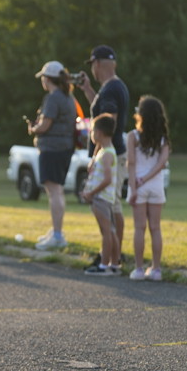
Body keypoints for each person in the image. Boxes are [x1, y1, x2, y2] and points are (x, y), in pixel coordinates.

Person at [76, 45, 129, 266]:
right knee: (112, 204)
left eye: (93, 65)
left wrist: (96, 155)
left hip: (110, 155)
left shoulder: (110, 90)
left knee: (110, 206)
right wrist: (88, 89)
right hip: (114, 153)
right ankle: (113, 254)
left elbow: (107, 125)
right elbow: (101, 114)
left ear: (97, 64)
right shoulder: (115, 87)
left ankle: (112, 256)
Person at [29, 60, 77, 250]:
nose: (42, 81)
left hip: (52, 149)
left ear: (48, 79)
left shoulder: (53, 98)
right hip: (65, 147)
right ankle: (57, 231)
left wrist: (33, 129)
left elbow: (45, 126)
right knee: (57, 190)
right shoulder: (68, 97)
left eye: (43, 78)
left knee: (54, 191)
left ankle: (57, 235)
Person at [127, 96, 171, 281]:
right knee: (155, 228)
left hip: (138, 185)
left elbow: (131, 163)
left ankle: (138, 269)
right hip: (156, 186)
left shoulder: (133, 136)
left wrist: (134, 186)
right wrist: (147, 178)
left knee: (139, 228)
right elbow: (161, 164)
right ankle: (156, 269)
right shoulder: (163, 139)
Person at [80, 114, 120, 276]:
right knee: (110, 231)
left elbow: (107, 179)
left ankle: (104, 265)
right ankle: (115, 264)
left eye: (92, 131)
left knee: (106, 232)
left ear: (99, 133)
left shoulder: (107, 154)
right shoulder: (104, 151)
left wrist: (91, 193)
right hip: (103, 198)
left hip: (101, 198)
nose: (91, 134)